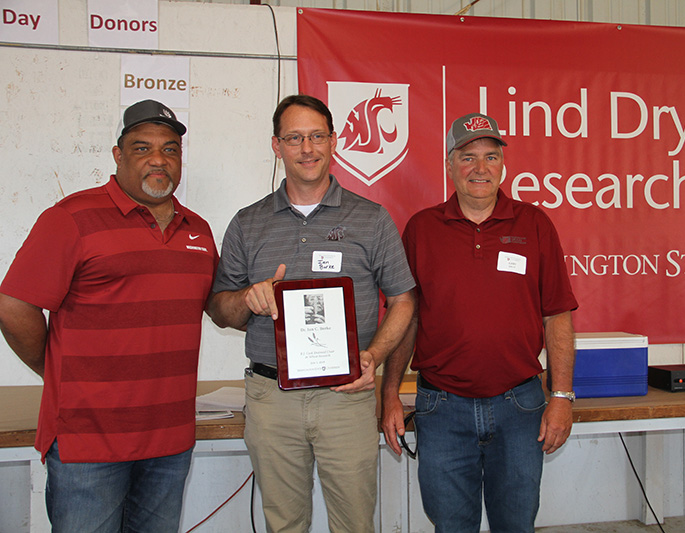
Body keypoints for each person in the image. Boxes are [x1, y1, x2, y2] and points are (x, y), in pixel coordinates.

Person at [0, 100, 217, 532]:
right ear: (118, 156)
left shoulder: (199, 229)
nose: (158, 159)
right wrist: (56, 371)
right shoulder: (72, 218)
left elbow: (217, 305)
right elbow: (14, 304)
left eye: (170, 149)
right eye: (142, 148)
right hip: (89, 440)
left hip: (169, 441)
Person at [207, 94, 416, 533]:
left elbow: (403, 301)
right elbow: (219, 307)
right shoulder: (248, 222)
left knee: (356, 523)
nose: (307, 148)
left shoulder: (372, 219)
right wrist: (248, 299)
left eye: (317, 136)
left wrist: (374, 357)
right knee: (284, 524)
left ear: (334, 141)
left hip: (347, 395)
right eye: (295, 137)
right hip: (271, 398)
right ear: (276, 145)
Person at [381, 112, 578, 532]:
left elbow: (557, 316)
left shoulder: (535, 224)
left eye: (491, 157)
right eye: (468, 157)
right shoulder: (422, 229)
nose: (480, 168)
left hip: (520, 406)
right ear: (450, 163)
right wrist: (390, 394)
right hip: (442, 409)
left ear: (503, 165)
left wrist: (561, 396)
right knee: (451, 526)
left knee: (516, 525)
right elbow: (406, 318)